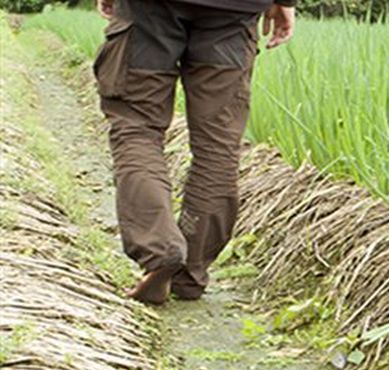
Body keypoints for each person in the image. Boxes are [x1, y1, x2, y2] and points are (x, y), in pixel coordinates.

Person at [94, 0, 295, 304]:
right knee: (217, 145)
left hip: (147, 11)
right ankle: (190, 273)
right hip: (234, 12)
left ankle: (160, 251)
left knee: (137, 127)